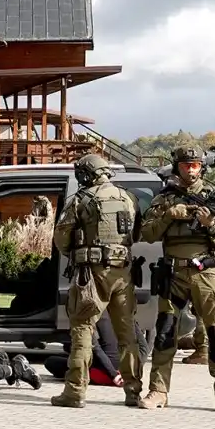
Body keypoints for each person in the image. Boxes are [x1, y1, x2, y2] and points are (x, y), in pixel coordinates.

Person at [138, 146, 215, 413]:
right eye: (186, 165)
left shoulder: (213, 199)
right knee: (165, 334)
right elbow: (147, 234)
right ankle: (158, 390)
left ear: (201, 168)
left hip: (206, 273)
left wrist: (211, 225)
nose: (191, 170)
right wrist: (169, 216)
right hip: (173, 274)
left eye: (195, 165)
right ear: (177, 167)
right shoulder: (164, 199)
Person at [49, 153, 143, 409]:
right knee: (127, 335)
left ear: (87, 175)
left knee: (82, 330)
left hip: (91, 274)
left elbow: (62, 238)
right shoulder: (129, 198)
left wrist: (79, 253)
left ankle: (75, 392)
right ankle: (133, 392)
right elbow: (136, 233)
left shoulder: (81, 200)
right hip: (123, 273)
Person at [45, 311, 149, 386]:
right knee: (69, 351)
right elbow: (145, 348)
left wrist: (113, 375)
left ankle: (75, 384)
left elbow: (96, 348)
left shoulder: (95, 313)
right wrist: (136, 367)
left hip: (104, 371)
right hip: (128, 369)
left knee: (51, 361)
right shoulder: (125, 315)